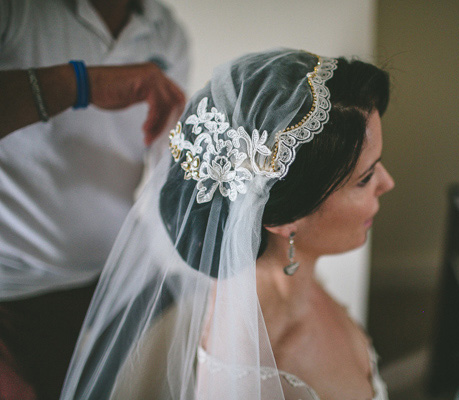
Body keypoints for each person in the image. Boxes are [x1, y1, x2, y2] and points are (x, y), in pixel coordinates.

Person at [60, 48, 394, 400]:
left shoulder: (300, 283)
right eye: (365, 178)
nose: (387, 183)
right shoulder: (255, 378)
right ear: (285, 219)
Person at [0, 1, 189, 399]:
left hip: (110, 284)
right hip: (10, 294)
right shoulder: (19, 12)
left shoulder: (166, 32)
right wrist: (79, 84)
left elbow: (162, 160)